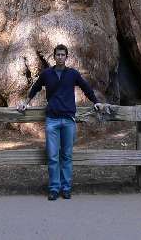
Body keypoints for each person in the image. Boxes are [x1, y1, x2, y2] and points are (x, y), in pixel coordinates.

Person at [17, 44, 104, 200]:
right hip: (52, 120)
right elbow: (35, 87)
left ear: (66, 57)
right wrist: (26, 102)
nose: (60, 57)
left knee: (66, 155)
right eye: (58, 55)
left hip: (69, 120)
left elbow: (86, 87)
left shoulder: (72, 74)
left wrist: (95, 101)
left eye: (63, 55)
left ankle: (66, 188)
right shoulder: (47, 74)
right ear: (54, 56)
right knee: (52, 156)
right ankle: (54, 188)